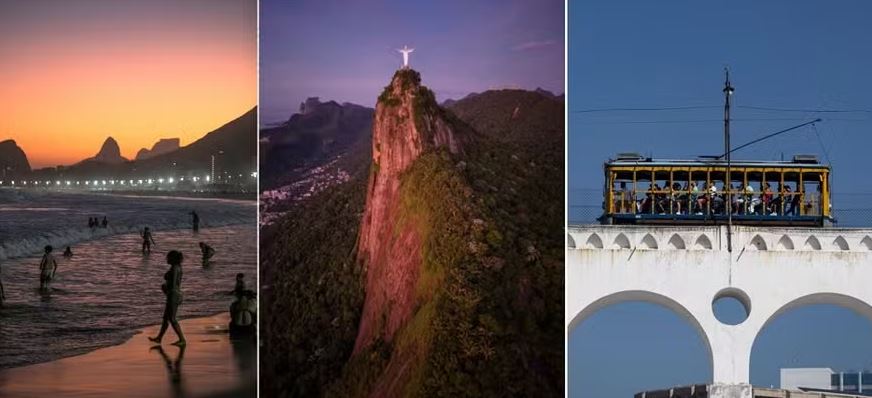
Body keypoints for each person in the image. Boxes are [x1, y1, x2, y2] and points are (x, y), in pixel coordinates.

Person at [149, 250, 186, 347]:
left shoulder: (174, 268)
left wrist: (166, 290)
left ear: (173, 259)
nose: (166, 259)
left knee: (172, 319)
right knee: (166, 318)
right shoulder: (177, 267)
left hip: (173, 295)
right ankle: (159, 338)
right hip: (173, 294)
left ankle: (182, 339)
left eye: (168, 257)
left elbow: (173, 285)